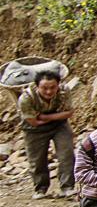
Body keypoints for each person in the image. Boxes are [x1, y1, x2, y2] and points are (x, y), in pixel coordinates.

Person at [17, 71, 76, 199]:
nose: (49, 92)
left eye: (52, 87)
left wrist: (44, 117)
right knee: (37, 160)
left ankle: (67, 187)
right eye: (44, 88)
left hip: (59, 126)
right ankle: (40, 189)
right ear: (37, 86)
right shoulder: (26, 98)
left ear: (58, 85)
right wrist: (57, 116)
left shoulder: (64, 91)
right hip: (34, 129)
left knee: (66, 154)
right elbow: (33, 121)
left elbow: (69, 112)